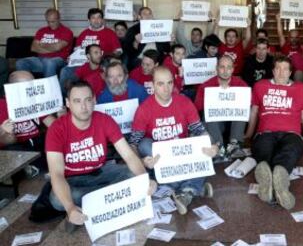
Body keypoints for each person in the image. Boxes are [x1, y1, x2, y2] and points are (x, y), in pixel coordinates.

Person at [45, 81, 155, 228]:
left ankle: (95, 203)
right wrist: (70, 207)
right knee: (58, 200)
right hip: (72, 180)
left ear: (94, 100)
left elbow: (128, 155)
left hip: (102, 172)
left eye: (88, 100)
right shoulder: (56, 129)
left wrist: (143, 180)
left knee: (138, 174)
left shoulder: (104, 120)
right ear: (68, 103)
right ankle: (107, 199)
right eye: (77, 101)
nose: (83, 107)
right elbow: (56, 174)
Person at [129, 66, 218, 215]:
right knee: (144, 144)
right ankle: (193, 188)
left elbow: (199, 129)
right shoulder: (144, 109)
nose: (166, 88)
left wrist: (212, 146)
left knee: (202, 141)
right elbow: (133, 143)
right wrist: (142, 161)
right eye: (160, 84)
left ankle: (182, 190)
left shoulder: (184, 102)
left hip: (181, 157)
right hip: (160, 160)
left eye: (169, 83)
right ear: (152, 85)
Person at [245, 56, 303, 210]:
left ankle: (278, 177)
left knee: (291, 149)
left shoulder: (300, 88)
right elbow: (254, 111)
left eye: (285, 69)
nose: (281, 73)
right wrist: (249, 134)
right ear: (272, 71)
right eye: (278, 68)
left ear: (290, 72)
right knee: (263, 149)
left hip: (292, 133)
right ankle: (272, 180)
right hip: (266, 132)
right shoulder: (260, 86)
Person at [0, 71, 57, 170]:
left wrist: (61, 117)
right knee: (14, 150)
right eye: (28, 86)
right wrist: (6, 133)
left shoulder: (35, 100)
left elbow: (55, 126)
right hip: (17, 148)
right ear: (13, 89)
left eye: (33, 84)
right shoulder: (2, 105)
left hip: (38, 143)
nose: (32, 89)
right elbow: (9, 142)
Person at [195, 55, 248, 158]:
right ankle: (218, 146)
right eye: (222, 67)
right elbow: (198, 109)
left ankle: (234, 145)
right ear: (217, 68)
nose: (225, 71)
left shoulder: (241, 85)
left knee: (242, 108)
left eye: (229, 67)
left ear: (233, 69)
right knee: (207, 112)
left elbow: (248, 107)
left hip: (234, 123)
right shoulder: (206, 86)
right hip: (215, 124)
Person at [59, 8, 121, 94]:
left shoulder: (110, 33)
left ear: (102, 20)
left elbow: (118, 51)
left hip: (101, 63)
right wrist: (71, 58)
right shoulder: (83, 34)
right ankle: (67, 100)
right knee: (64, 71)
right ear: (89, 20)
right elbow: (76, 52)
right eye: (93, 18)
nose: (96, 20)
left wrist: (109, 57)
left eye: (99, 17)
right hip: (82, 64)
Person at [16, 8, 73, 77]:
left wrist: (42, 45)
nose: (50, 24)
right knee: (20, 62)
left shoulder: (66, 31)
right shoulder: (42, 31)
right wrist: (51, 48)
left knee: (49, 62)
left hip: (59, 60)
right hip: (40, 60)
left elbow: (57, 47)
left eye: (53, 21)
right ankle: (28, 86)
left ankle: (50, 87)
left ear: (59, 19)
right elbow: (33, 48)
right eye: (48, 22)